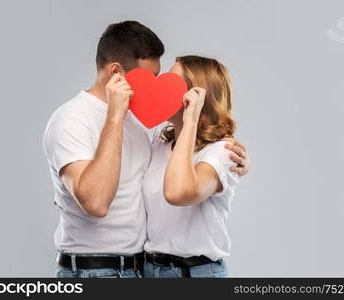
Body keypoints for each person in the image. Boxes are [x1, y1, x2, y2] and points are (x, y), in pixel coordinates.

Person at [42, 21, 250, 279]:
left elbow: (181, 183)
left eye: (168, 83)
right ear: (116, 72)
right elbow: (94, 201)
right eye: (154, 80)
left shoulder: (145, 126)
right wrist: (115, 115)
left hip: (147, 269)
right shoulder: (71, 120)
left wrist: (238, 163)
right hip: (97, 270)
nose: (157, 91)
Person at [143, 55, 243, 278]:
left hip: (195, 273)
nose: (161, 91)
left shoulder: (223, 152)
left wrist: (190, 121)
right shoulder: (158, 144)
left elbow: (178, 193)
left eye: (172, 84)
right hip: (149, 269)